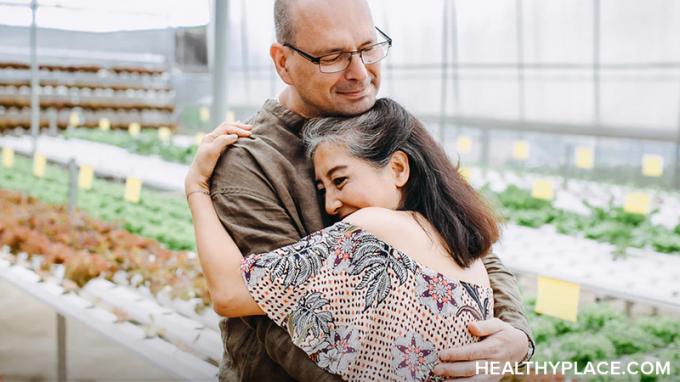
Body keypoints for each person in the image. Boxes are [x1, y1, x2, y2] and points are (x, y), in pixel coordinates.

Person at [205, 0, 534, 380]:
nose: (360, 73)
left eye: (367, 48)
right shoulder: (249, 161)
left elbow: (462, 236)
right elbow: (280, 323)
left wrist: (517, 337)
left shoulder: (381, 125)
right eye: (333, 56)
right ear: (283, 62)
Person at [186, 98, 502, 381]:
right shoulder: (471, 259)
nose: (330, 205)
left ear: (397, 168)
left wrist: (196, 187)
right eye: (323, 189)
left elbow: (229, 294)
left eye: (340, 180)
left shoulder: (374, 228)